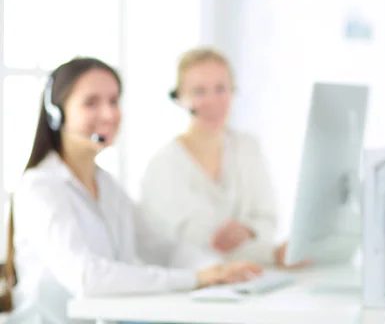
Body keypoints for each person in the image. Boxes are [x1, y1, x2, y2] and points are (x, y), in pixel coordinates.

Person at [5, 57, 262, 324]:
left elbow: (162, 247)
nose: (108, 114)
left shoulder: (107, 186)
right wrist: (194, 279)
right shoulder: (42, 187)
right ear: (57, 113)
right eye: (91, 102)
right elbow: (88, 278)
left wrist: (214, 268)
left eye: (114, 101)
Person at [138, 48, 301, 267]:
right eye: (199, 91)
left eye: (221, 89)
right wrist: (272, 255)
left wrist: (249, 231)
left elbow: (268, 218)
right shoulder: (164, 166)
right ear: (180, 97)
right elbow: (201, 245)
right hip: (188, 286)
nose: (212, 101)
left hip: (247, 276)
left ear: (233, 92)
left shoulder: (248, 147)